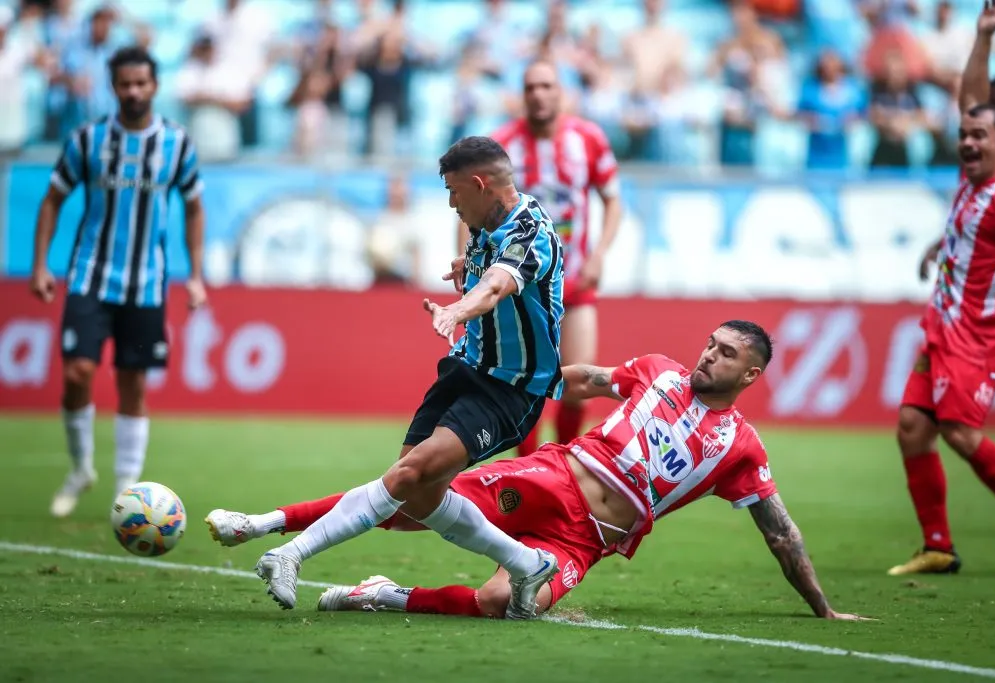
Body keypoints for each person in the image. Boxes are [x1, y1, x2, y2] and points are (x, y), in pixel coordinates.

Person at [206, 321, 867, 621]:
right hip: (556, 476)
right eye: (711, 344)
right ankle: (262, 522)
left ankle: (380, 594)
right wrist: (526, 383)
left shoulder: (742, 448)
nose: (709, 356)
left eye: (727, 355)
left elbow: (779, 530)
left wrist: (823, 607)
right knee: (408, 490)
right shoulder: (660, 370)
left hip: (590, 539)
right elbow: (587, 379)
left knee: (503, 604)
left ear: (751, 374)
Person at [240, 136, 565, 619]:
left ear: (479, 185)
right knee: (417, 497)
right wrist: (465, 267)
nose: (452, 203)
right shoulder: (488, 221)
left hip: (509, 388)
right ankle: (526, 563)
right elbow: (486, 269)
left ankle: (290, 555)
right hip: (466, 367)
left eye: (455, 192)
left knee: (408, 474)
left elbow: (498, 285)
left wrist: (458, 308)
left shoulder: (530, 232)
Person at [29, 46, 207, 518]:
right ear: (114, 87)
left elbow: (193, 207)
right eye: (125, 84)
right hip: (90, 275)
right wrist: (41, 266)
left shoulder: (177, 143)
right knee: (77, 373)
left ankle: (127, 491)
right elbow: (52, 199)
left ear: (155, 86)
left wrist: (195, 275)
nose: (133, 91)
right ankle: (81, 468)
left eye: (141, 84)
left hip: (147, 283)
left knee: (132, 384)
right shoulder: (87, 140)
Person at [458, 59, 621, 457]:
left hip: (576, 280)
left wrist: (600, 254)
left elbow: (613, 200)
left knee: (577, 385)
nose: (538, 94)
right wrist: (468, 259)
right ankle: (531, 471)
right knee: (521, 385)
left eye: (547, 86)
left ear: (560, 91)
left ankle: (563, 466)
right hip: (518, 285)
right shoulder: (500, 146)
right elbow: (469, 207)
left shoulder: (589, 139)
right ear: (522, 94)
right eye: (530, 87)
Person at [892, 103, 995, 576]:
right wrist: (937, 247)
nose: (968, 142)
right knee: (912, 426)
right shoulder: (971, 185)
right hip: (941, 328)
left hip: (978, 336)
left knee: (961, 433)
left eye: (980, 135)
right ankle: (938, 546)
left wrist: (985, 38)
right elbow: (968, 235)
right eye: (964, 133)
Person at [917, 0, 995, 462]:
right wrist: (984, 37)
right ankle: (938, 537)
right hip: (984, 315)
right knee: (926, 426)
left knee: (957, 429)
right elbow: (970, 101)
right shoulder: (979, 157)